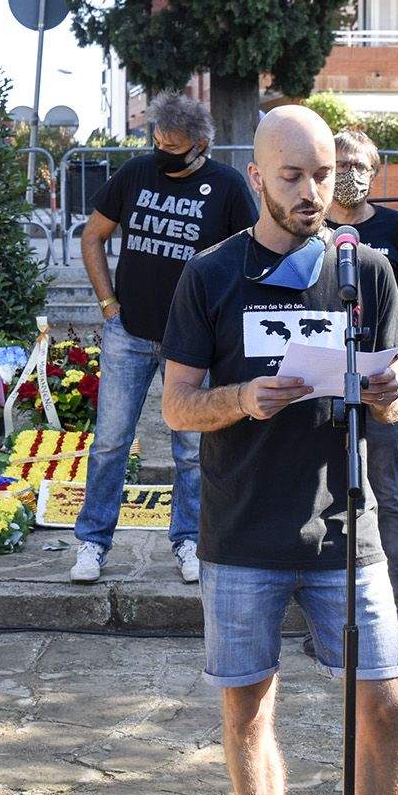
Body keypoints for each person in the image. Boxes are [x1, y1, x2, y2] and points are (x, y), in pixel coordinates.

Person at [161, 106, 398, 795]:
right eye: (293, 176)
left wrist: (391, 391)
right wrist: (241, 399)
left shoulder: (367, 271)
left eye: (323, 174)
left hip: (344, 528)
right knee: (248, 708)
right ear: (257, 177)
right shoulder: (210, 276)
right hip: (243, 530)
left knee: (388, 704)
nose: (312, 192)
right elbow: (177, 405)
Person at [70, 92, 257, 585]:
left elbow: (250, 259)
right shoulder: (134, 174)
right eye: (156, 141)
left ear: (201, 145)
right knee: (110, 441)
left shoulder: (228, 187)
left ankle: (190, 540)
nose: (161, 151)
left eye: (172, 146)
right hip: (129, 333)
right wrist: (108, 304)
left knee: (192, 449)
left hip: (194, 344)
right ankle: (92, 542)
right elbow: (92, 236)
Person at [303, 128, 398, 658]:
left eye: (362, 165)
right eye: (342, 163)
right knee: (320, 496)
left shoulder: (396, 228)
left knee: (385, 493)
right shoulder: (309, 225)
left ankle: (390, 607)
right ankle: (324, 613)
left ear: (375, 172)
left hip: (380, 381)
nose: (352, 174)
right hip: (319, 384)